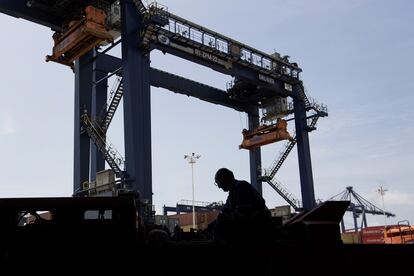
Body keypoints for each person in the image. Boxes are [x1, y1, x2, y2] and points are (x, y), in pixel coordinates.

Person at [206, 168, 276, 244]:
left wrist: (218, 225)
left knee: (222, 227)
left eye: (218, 183)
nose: (219, 187)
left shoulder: (241, 187)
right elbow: (223, 214)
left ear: (225, 180)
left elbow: (243, 214)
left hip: (259, 225)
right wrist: (211, 226)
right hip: (253, 224)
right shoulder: (232, 193)